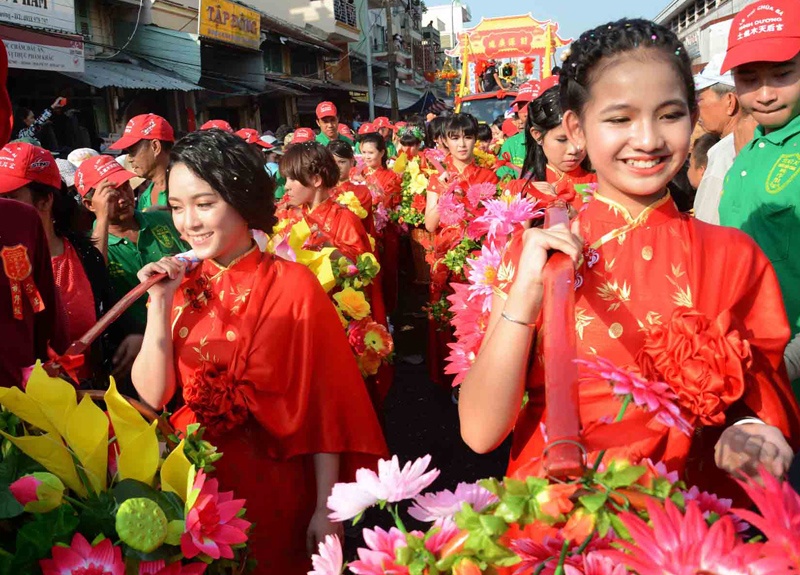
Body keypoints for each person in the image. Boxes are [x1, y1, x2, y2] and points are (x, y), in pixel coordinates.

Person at [459, 18, 800, 500]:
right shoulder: (537, 252)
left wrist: (750, 428)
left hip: (685, 524)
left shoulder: (734, 256)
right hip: (558, 526)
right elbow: (480, 431)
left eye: (669, 115)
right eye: (620, 119)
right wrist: (525, 294)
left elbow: (762, 398)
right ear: (577, 127)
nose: (648, 140)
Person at [131, 130, 386, 574]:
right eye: (176, 207)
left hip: (277, 485)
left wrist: (326, 510)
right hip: (191, 486)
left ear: (242, 199)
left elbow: (325, 405)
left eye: (204, 204)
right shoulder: (179, 285)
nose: (188, 222)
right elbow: (152, 397)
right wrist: (158, 302)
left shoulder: (295, 285)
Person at [0, 142, 143, 386]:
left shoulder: (85, 255)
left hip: (88, 401)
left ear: (45, 201)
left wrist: (136, 338)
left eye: (9, 198)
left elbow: (109, 315)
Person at [718, 0, 800, 398]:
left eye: (783, 74)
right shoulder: (751, 150)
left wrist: (793, 359)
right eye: (749, 79)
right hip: (749, 366)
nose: (765, 94)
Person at [425, 113, 499, 388]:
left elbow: (494, 220)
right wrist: (445, 192)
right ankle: (451, 377)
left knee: (477, 314)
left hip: (478, 254)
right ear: (444, 141)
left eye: (468, 137)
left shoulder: (489, 176)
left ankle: (478, 378)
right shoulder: (437, 178)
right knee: (447, 313)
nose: (462, 144)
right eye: (455, 138)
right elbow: (430, 223)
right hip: (447, 254)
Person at [75, 155, 188, 332]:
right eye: (111, 194)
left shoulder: (163, 219)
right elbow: (95, 279)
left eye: (125, 187)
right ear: (90, 204)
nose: (123, 198)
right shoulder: (87, 248)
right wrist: (102, 216)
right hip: (140, 342)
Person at [515, 84, 596, 210]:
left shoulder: (604, 187)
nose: (574, 149)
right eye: (562, 139)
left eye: (582, 137)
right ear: (537, 135)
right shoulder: (519, 190)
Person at [692, 54, 752, 224]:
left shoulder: (723, 153)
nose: (697, 109)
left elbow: (707, 227)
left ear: (730, 102)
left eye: (699, 99)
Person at [358, 132, 402, 314]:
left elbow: (390, 205)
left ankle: (389, 311)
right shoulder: (358, 173)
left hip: (385, 232)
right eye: (364, 152)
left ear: (382, 153)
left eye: (371, 153)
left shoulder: (391, 177)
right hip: (364, 230)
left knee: (387, 271)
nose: (366, 157)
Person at [109, 114, 175, 211]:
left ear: (155, 147)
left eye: (132, 152)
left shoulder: (185, 186)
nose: (129, 159)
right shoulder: (144, 197)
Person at [328, 139, 374, 235]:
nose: (337, 167)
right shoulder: (322, 190)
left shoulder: (362, 192)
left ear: (352, 162)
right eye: (332, 162)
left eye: (342, 162)